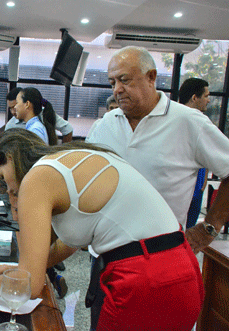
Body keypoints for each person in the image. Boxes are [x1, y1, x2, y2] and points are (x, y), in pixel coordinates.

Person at [0, 129, 204, 330]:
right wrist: (18, 270)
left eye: (1, 177)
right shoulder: (69, 160)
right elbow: (60, 249)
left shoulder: (38, 177)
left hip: (145, 281)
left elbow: (28, 288)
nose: (4, 187)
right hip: (182, 271)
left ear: (10, 158)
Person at [86, 46, 229, 329]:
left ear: (151, 77)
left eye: (124, 79)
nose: (117, 89)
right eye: (112, 82)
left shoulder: (188, 122)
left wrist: (209, 228)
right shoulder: (104, 126)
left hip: (161, 264)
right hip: (105, 260)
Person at [179, 78, 210, 228]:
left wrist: (203, 184)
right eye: (206, 96)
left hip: (197, 185)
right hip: (180, 186)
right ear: (194, 98)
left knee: (189, 231)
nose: (208, 101)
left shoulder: (203, 122)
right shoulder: (176, 120)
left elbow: (209, 156)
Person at [0, 88, 73, 142]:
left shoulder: (38, 126)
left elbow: (68, 129)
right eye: (10, 108)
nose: (13, 111)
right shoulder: (11, 125)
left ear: (27, 104)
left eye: (17, 104)